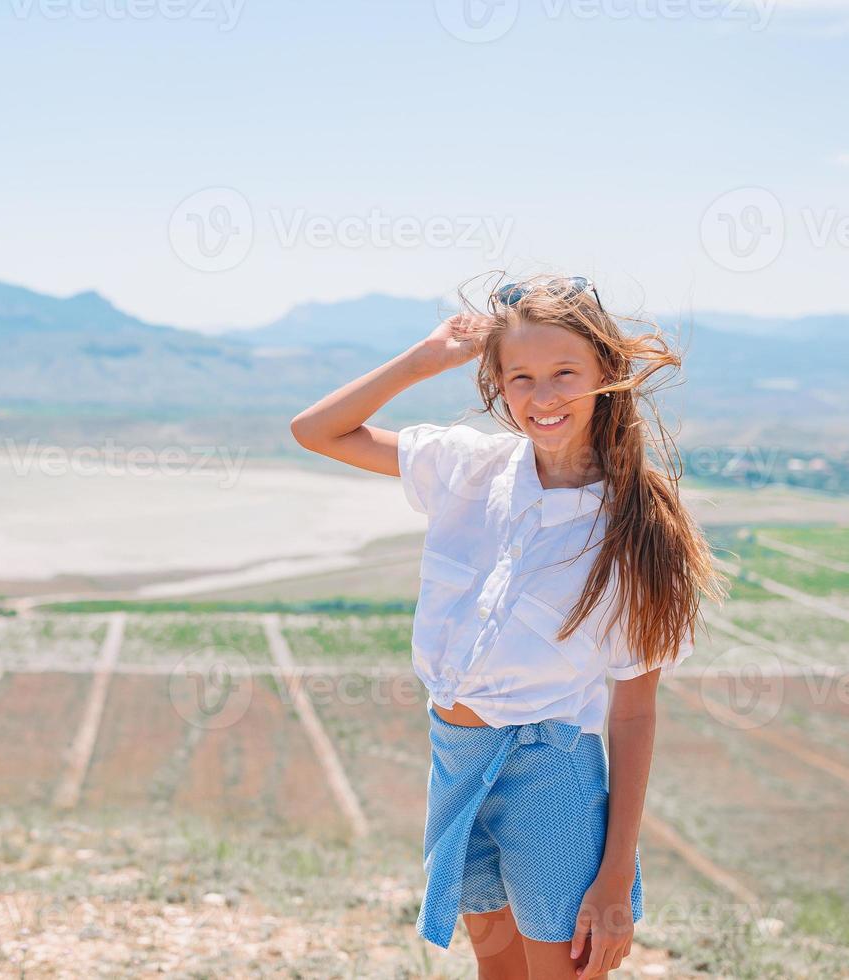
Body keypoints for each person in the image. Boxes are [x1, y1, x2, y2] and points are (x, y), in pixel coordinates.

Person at [289, 273, 726, 979]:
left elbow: (636, 715)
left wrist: (615, 879)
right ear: (495, 380)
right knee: (497, 971)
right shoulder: (466, 468)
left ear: (606, 374)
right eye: (519, 376)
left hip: (548, 774)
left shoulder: (632, 533)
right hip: (456, 760)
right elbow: (316, 431)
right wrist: (423, 359)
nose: (542, 396)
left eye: (564, 373)